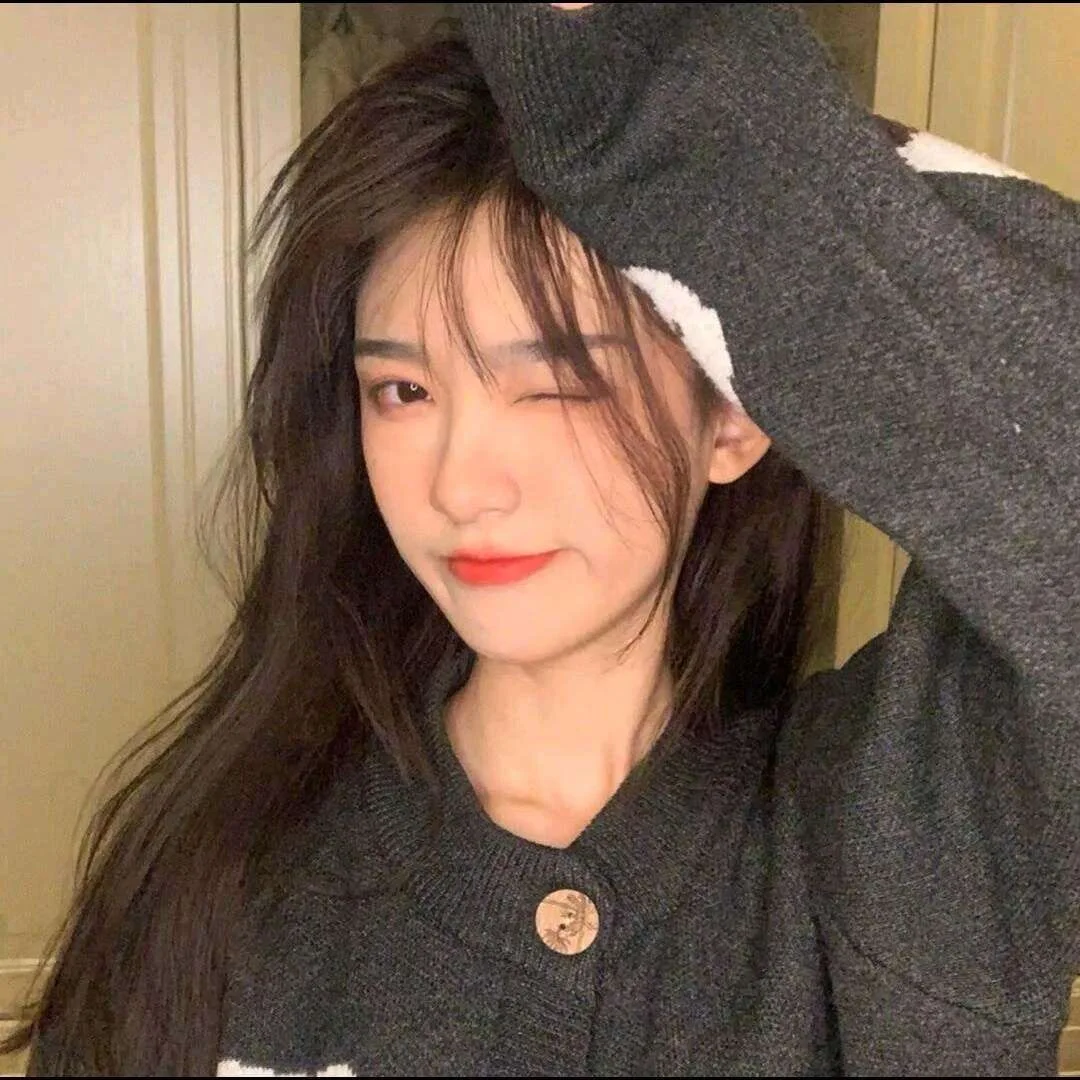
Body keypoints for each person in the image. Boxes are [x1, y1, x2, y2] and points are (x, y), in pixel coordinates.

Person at [7, 3, 1077, 1075]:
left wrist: (621, 98)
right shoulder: (225, 871)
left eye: (558, 382)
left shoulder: (895, 850)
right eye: (403, 390)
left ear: (734, 417)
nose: (460, 484)